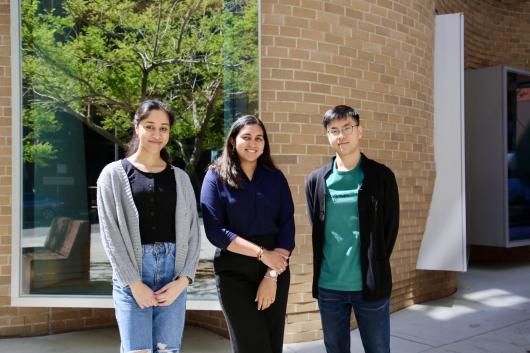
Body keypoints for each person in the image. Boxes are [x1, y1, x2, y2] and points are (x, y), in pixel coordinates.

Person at [97, 99, 200, 353]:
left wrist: (184, 279)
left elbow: (192, 234)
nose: (157, 134)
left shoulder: (180, 177)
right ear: (137, 127)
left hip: (172, 276)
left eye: (163, 128)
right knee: (137, 350)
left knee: (168, 350)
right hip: (132, 274)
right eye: (150, 126)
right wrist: (133, 283)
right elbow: (110, 235)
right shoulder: (112, 175)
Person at [305, 105, 399, 353]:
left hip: (370, 285)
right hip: (329, 287)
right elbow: (317, 229)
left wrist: (375, 261)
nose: (341, 135)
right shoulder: (316, 181)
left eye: (347, 128)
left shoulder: (381, 177)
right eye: (333, 130)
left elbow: (389, 229)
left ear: (360, 131)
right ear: (327, 136)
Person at [200, 115, 295, 353]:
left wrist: (271, 275)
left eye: (259, 138)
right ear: (233, 140)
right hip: (234, 271)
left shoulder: (275, 177)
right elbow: (215, 230)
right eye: (246, 137)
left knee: (272, 345)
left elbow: (287, 226)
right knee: (251, 346)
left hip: (275, 269)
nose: (253, 143)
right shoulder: (215, 176)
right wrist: (262, 254)